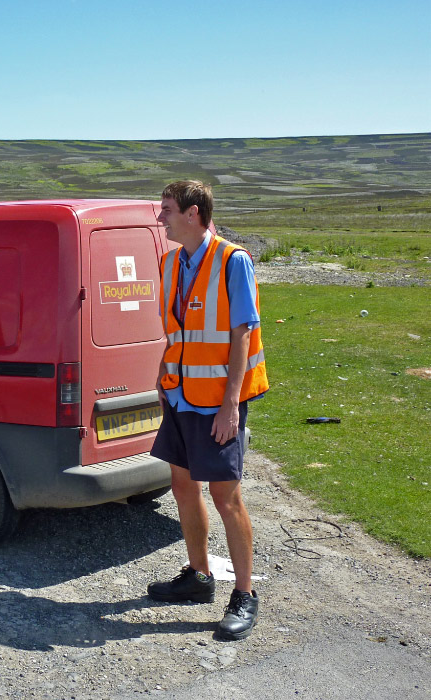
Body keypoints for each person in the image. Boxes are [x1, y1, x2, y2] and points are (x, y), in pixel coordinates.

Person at [148, 181, 269, 640]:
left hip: (217, 402)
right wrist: (163, 374)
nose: (161, 219)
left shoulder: (233, 261)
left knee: (226, 497)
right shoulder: (169, 263)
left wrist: (231, 406)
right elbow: (176, 329)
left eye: (167, 211)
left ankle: (244, 595)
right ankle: (199, 577)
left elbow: (242, 335)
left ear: (194, 214)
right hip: (179, 395)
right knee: (182, 485)